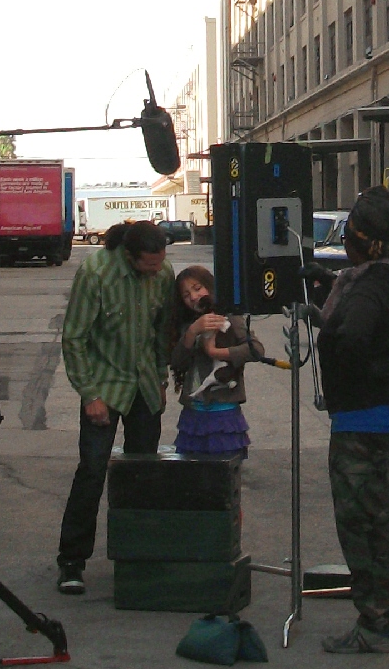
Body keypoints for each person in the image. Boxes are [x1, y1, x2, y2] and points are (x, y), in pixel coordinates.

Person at [298, 186, 389, 654]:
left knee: (366, 524)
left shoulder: (367, 289)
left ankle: (375, 624)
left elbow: (352, 338)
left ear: (358, 241)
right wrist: (328, 287)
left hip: (367, 424)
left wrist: (327, 326)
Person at [56, 221, 174, 596]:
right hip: (104, 384)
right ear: (128, 255)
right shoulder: (96, 272)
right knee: (91, 472)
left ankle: (138, 557)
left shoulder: (164, 272)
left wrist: (160, 378)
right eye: (150, 265)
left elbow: (163, 331)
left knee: (142, 475)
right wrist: (89, 395)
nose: (158, 271)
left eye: (160, 263)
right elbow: (75, 337)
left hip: (143, 387)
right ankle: (72, 562)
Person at [169, 265, 264, 457]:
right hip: (193, 412)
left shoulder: (229, 317)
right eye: (187, 295)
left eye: (197, 289)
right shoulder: (187, 324)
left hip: (223, 410)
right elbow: (177, 361)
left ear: (210, 287)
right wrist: (192, 332)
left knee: (223, 468)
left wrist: (216, 352)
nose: (194, 297)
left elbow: (256, 350)